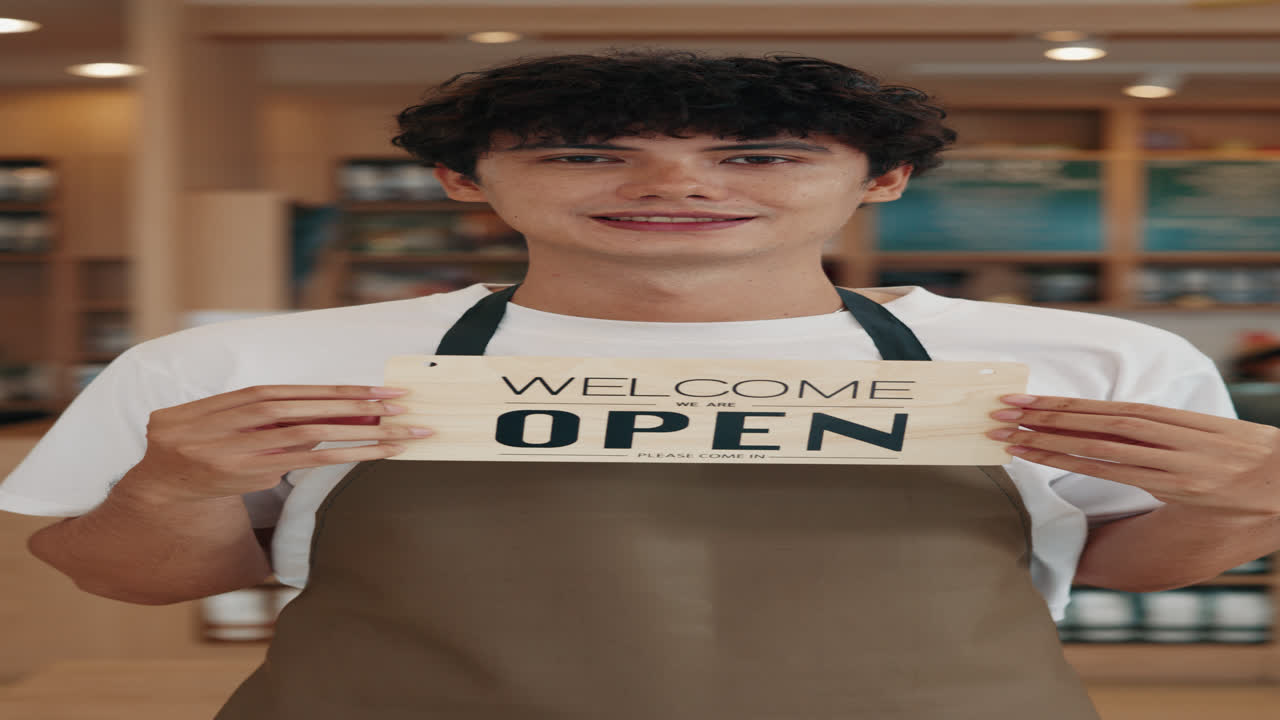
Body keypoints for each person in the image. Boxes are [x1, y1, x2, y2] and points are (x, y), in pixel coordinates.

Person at [4, 48, 1279, 719]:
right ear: (466, 180)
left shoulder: (1102, 358)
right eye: (581, 153)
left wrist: (1248, 498)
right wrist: (174, 484)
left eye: (759, 154)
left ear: (877, 178)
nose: (674, 187)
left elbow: (1121, 563)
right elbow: (123, 571)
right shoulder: (235, 364)